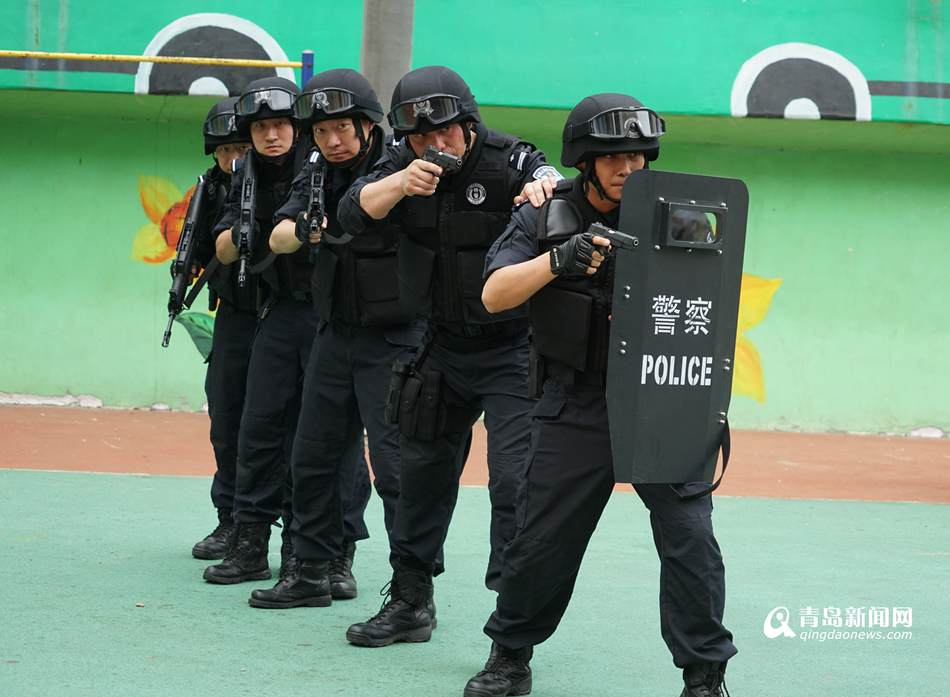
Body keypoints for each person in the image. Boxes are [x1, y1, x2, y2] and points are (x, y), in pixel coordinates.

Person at [463, 93, 736, 697]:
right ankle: (510, 655)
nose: (628, 168)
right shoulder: (543, 213)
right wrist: (559, 260)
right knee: (542, 538)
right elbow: (494, 294)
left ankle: (705, 674)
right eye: (613, 157)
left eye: (638, 155)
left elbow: (709, 301)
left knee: (691, 536)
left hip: (659, 402)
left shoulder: (680, 213)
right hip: (575, 400)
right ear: (584, 161)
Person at [337, 65, 561, 647]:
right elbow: (351, 210)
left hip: (514, 350)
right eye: (419, 138)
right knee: (416, 480)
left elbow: (550, 179)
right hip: (437, 346)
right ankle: (410, 601)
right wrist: (401, 182)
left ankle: (511, 635)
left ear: (467, 122)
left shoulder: (509, 157)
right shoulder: (401, 162)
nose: (434, 146)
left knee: (516, 485)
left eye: (445, 134)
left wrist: (544, 190)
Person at [247, 68, 424, 609]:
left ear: (368, 125)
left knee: (398, 470)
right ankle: (310, 571)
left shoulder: (401, 164)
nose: (332, 140)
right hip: (334, 334)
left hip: (395, 338)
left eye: (342, 128)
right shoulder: (316, 172)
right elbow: (278, 235)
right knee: (313, 458)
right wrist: (306, 228)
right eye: (321, 131)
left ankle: (412, 595)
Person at [202, 76, 370, 588]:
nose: (272, 135)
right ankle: (250, 541)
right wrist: (240, 235)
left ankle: (329, 552)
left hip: (328, 315)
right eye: (261, 128)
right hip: (276, 310)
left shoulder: (320, 167)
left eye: (280, 125)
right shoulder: (244, 174)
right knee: (257, 427)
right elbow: (223, 247)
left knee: (328, 439)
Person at [189, 96, 254, 560]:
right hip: (233, 316)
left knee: (284, 429)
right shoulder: (210, 191)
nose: (235, 159)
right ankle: (229, 519)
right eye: (226, 150)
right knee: (226, 419)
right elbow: (193, 254)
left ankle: (298, 535)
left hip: (282, 316)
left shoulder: (276, 183)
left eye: (241, 148)